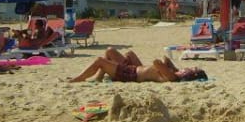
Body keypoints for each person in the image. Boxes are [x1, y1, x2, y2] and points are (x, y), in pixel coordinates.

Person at [69, 47, 205, 83]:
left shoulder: (173, 77)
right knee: (111, 51)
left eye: (190, 69)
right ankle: (99, 77)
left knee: (100, 60)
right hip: (133, 70)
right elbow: (164, 58)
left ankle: (79, 78)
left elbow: (156, 62)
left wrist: (172, 68)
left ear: (188, 75)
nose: (187, 68)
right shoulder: (173, 73)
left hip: (130, 75)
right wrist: (175, 68)